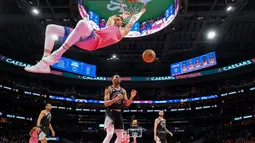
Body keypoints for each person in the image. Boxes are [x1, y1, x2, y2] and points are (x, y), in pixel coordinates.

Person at [25, 1, 146, 74]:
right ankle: (44, 62)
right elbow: (115, 17)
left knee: (83, 23)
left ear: (121, 23)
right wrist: (123, 11)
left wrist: (139, 13)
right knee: (50, 28)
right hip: (86, 36)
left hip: (93, 43)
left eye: (118, 19)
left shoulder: (121, 32)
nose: (116, 19)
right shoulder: (109, 24)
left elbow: (132, 21)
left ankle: (56, 55)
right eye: (115, 17)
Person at [103, 74, 137, 143]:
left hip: (119, 113)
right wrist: (115, 99)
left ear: (120, 80)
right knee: (110, 134)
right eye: (116, 77)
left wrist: (132, 97)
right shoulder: (108, 89)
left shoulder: (123, 91)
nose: (117, 77)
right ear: (112, 79)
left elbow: (127, 104)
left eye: (119, 77)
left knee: (120, 136)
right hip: (110, 113)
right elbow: (106, 103)